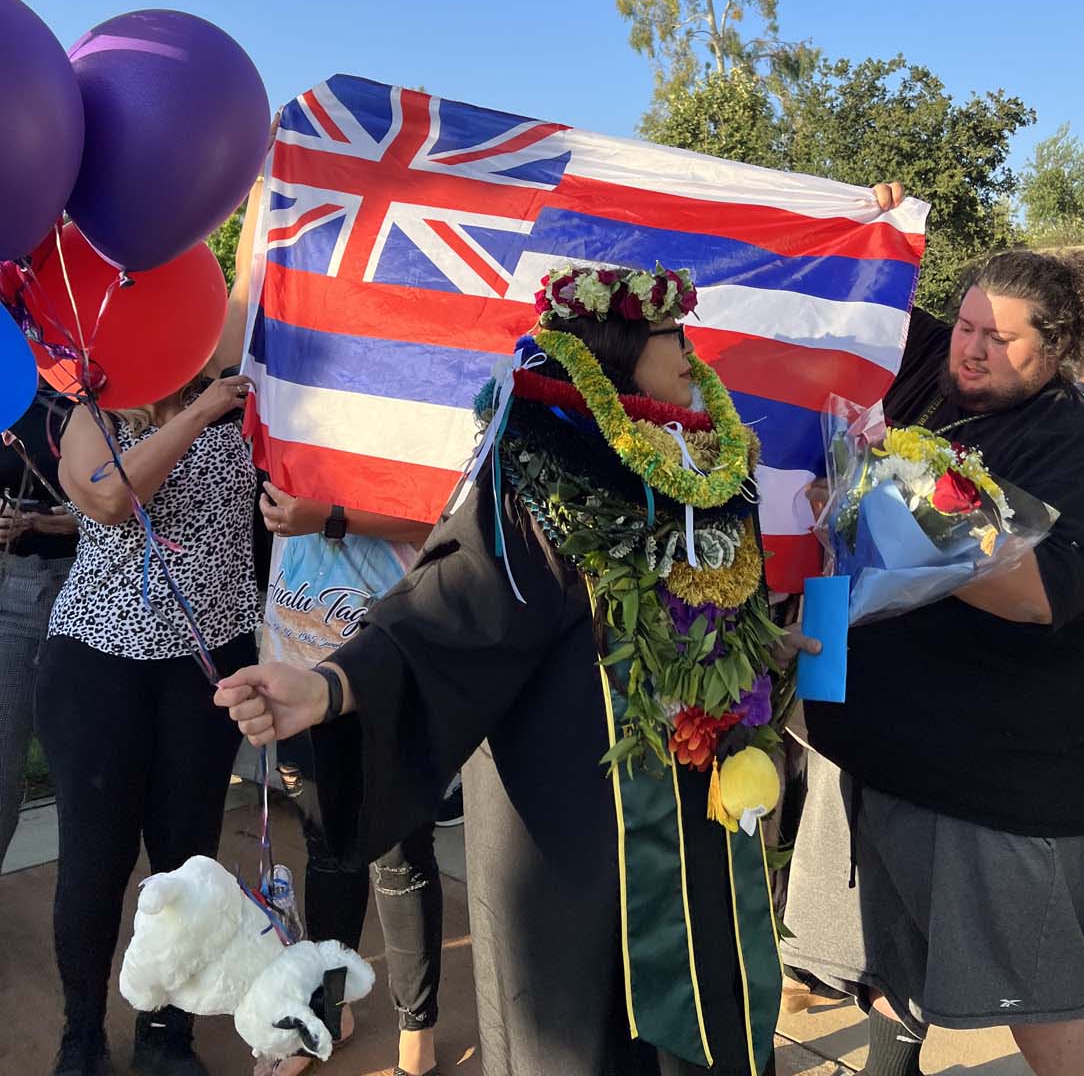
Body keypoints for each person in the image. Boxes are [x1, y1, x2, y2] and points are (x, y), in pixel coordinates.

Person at [217, 258, 823, 1076]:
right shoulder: (544, 468)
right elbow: (455, 602)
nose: (690, 352)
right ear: (617, 348)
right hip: (571, 816)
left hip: (693, 795)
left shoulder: (710, 463)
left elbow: (708, 604)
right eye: (672, 335)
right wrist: (331, 685)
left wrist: (758, 648)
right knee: (578, 1027)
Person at [782, 226, 1084, 1076]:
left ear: (1054, 349)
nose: (971, 350)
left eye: (1000, 337)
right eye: (968, 326)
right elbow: (857, 294)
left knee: (1039, 987)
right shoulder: (936, 380)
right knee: (888, 957)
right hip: (881, 751)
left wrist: (881, 509)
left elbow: (1036, 593)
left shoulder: (1078, 452)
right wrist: (863, 219)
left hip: (1001, 782)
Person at [38, 181, 264, 1076]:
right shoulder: (103, 400)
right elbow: (102, 499)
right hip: (99, 664)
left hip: (206, 666)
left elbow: (246, 280)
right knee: (94, 864)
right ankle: (81, 1033)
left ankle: (163, 1034)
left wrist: (264, 194)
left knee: (186, 860)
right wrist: (198, 415)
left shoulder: (238, 377)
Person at [256, 480, 441, 1076]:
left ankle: (418, 1032)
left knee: (400, 855)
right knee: (327, 848)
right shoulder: (281, 392)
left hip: (390, 662)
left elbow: (441, 517)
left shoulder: (425, 390)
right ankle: (328, 1009)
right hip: (296, 655)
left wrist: (332, 517)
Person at [0, 387, 77, 869]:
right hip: (14, 588)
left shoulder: (103, 392)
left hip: (95, 589)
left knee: (89, 769)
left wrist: (88, 516)